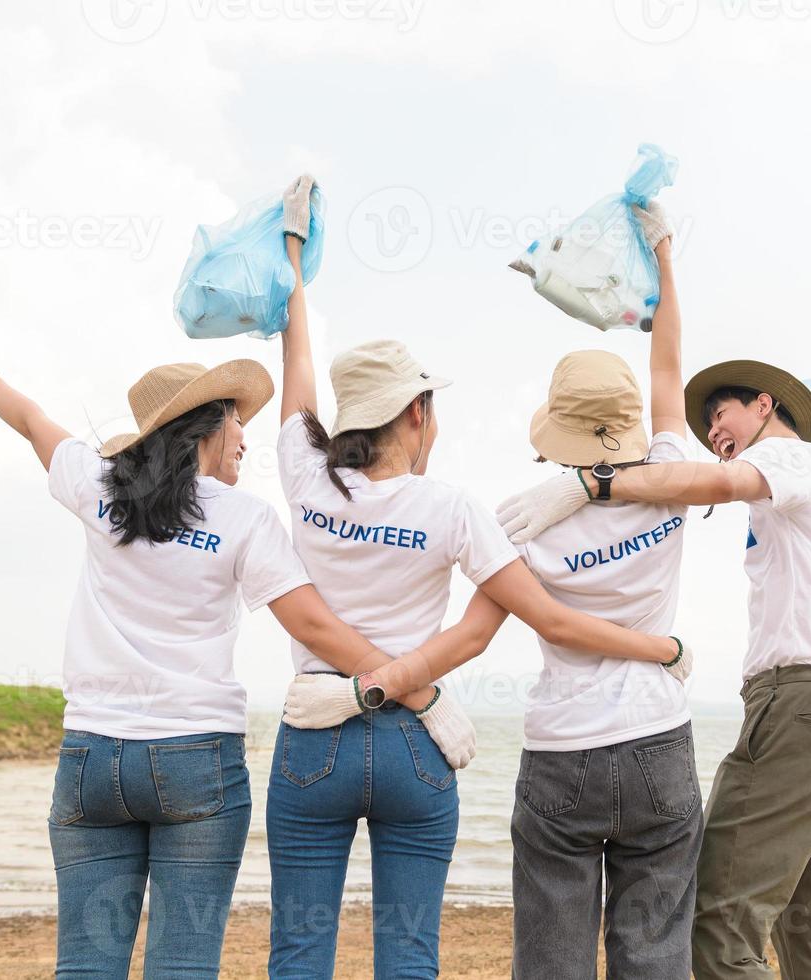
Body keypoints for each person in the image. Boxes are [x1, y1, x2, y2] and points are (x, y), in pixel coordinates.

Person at [267, 176, 691, 980]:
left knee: (297, 949)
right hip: (417, 745)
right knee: (410, 953)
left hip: (315, 730)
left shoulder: (304, 473)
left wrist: (292, 253)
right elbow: (487, 628)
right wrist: (664, 256)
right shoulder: (464, 509)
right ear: (419, 414)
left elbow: (297, 360)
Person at [0, 330, 456, 978]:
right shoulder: (245, 519)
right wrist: (420, 694)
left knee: (83, 965)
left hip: (91, 757)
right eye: (237, 422)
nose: (245, 438)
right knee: (182, 965)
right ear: (205, 431)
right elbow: (318, 631)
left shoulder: (98, 486)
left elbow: (28, 418)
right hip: (195, 759)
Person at [496, 359, 811, 980]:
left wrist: (593, 485)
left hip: (802, 705)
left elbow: (714, 482)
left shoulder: (789, 457)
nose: (715, 433)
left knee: (718, 925)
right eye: (704, 426)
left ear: (764, 404)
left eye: (722, 415)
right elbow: (669, 394)